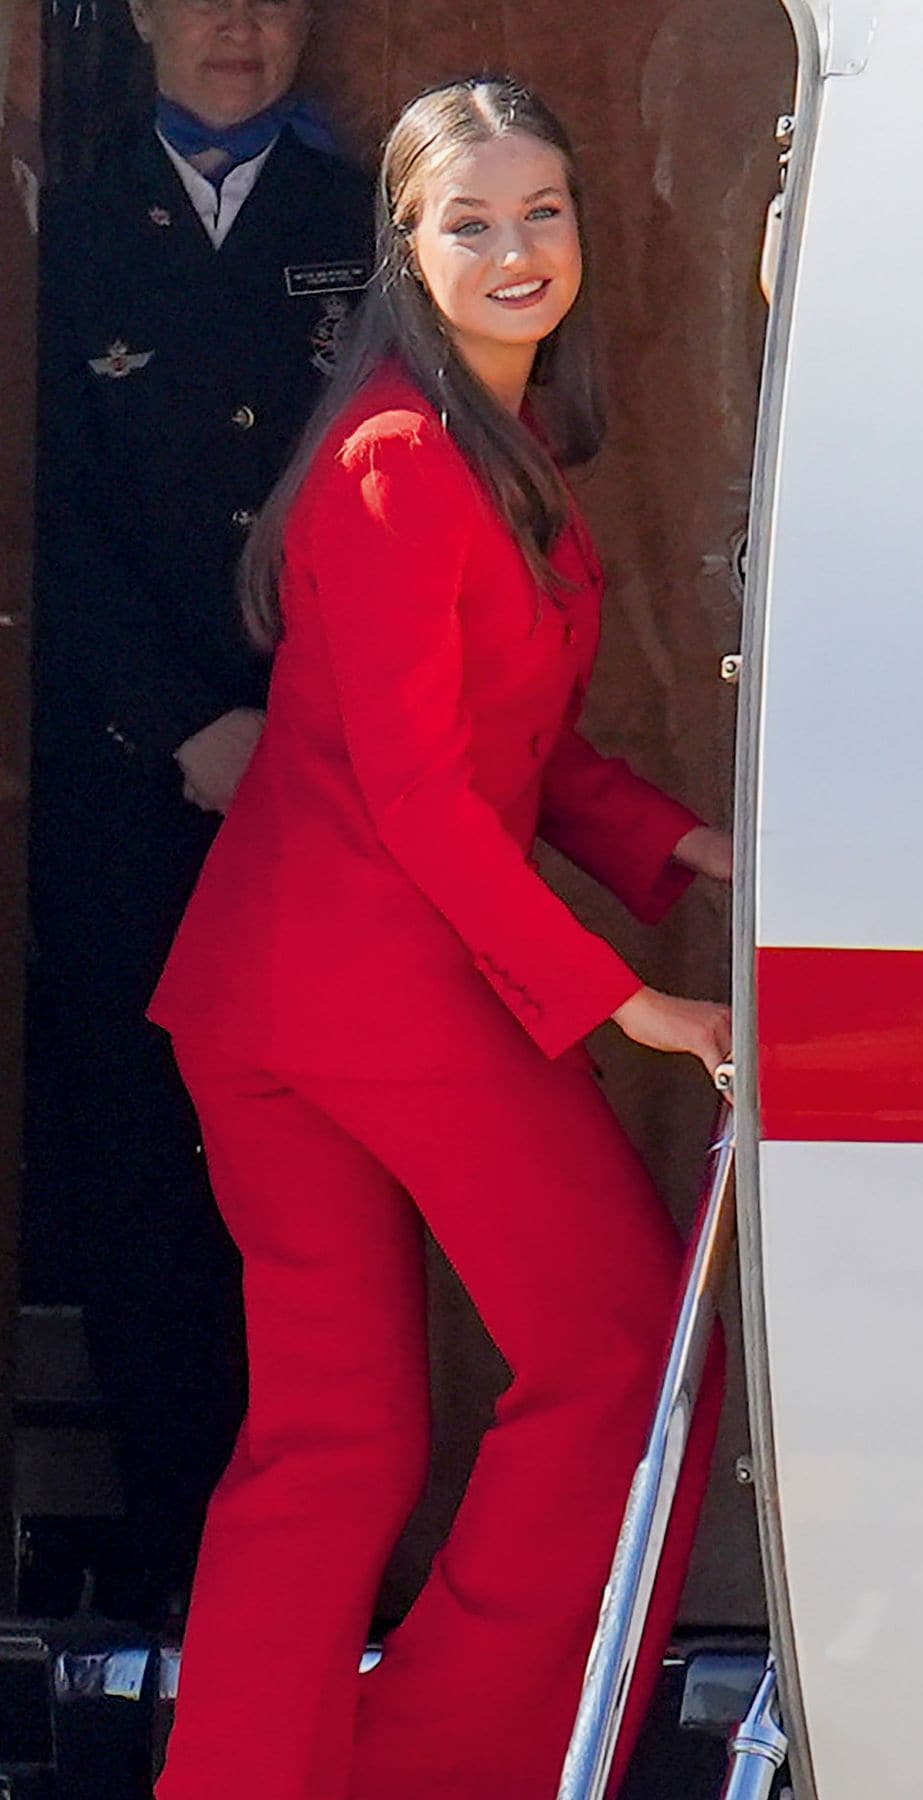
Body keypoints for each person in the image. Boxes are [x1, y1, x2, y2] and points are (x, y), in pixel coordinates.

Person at [148, 74, 732, 1800]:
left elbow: (521, 758)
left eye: (541, 212)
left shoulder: (493, 444)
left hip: (274, 996)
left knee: (334, 1444)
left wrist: (698, 847)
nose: (514, 248)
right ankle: (444, 1764)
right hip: (372, 990)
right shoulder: (405, 461)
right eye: (469, 220)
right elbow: (420, 802)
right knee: (619, 1351)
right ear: (406, 250)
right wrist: (626, 1003)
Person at [27, 0, 375, 1622]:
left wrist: (295, 728)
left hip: (326, 785)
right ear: (143, 15)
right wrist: (182, 724)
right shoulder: (75, 231)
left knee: (313, 1175)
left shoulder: (370, 220)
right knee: (146, 1171)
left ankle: (327, 1586)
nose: (239, 26)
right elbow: (56, 521)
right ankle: (184, 1580)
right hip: (131, 792)